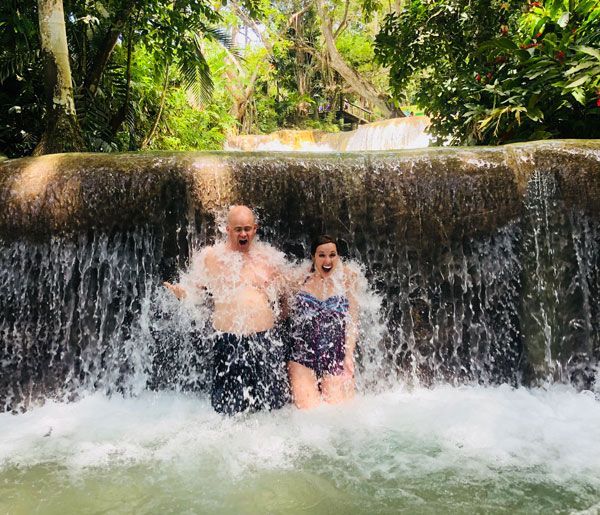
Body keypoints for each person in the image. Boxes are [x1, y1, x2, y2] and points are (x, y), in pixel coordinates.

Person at [164, 205, 290, 415]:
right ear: (227, 229)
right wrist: (181, 293)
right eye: (238, 229)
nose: (243, 234)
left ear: (255, 229)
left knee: (272, 409)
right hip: (230, 341)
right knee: (228, 411)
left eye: (247, 229)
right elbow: (195, 290)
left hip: (266, 340)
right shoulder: (212, 257)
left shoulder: (269, 257)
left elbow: (285, 295)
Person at [287, 235, 358, 409]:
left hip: (335, 358)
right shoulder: (299, 280)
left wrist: (348, 356)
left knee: (337, 415)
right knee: (309, 416)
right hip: (302, 358)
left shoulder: (348, 281)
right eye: (322, 255)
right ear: (313, 257)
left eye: (332, 255)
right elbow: (282, 311)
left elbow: (352, 323)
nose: (327, 260)